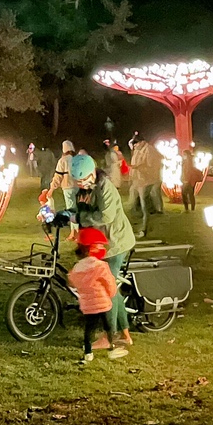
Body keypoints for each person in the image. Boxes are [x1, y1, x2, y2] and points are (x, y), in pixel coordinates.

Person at [69, 152, 135, 354]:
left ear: (92, 174)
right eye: (77, 180)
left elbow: (105, 216)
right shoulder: (81, 189)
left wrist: (80, 217)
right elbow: (77, 208)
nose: (81, 184)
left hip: (115, 243)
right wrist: (68, 215)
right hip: (97, 244)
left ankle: (110, 336)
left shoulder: (106, 187)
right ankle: (125, 333)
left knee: (107, 288)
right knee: (111, 287)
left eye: (83, 179)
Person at [69, 226, 125, 361]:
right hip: (103, 303)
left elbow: (72, 281)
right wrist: (111, 294)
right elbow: (109, 283)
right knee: (108, 326)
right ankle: (112, 349)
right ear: (93, 248)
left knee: (89, 329)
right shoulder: (100, 266)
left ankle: (88, 353)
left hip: (88, 305)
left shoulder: (78, 267)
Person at [128, 139, 162, 238]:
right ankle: (136, 227)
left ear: (141, 142)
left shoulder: (149, 150)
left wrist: (138, 167)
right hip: (137, 181)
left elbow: (151, 166)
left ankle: (144, 229)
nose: (134, 147)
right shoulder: (138, 150)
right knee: (132, 205)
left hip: (145, 181)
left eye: (135, 144)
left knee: (144, 206)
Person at [48, 141, 78, 213]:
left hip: (68, 187)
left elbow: (58, 176)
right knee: (78, 208)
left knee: (71, 209)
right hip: (78, 186)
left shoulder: (62, 161)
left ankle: (74, 224)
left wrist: (51, 189)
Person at [180, 147, 204, 212]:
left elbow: (188, 171)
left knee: (184, 194)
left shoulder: (188, 162)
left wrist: (186, 180)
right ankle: (191, 208)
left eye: (184, 154)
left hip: (188, 180)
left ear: (186, 155)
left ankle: (187, 208)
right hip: (191, 180)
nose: (183, 156)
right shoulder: (190, 160)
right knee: (190, 194)